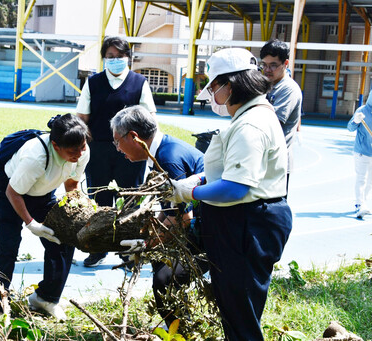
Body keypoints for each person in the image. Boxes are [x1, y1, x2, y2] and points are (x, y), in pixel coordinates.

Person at [169, 48, 292, 340]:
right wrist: (200, 178)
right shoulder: (250, 116)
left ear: (231, 85)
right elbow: (229, 171)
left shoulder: (250, 125)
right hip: (244, 222)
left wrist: (192, 192)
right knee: (236, 309)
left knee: (240, 314)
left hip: (247, 224)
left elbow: (236, 187)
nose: (210, 93)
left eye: (212, 86)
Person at [110, 105, 205, 327]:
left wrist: (147, 245)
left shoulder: (167, 159)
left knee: (165, 279)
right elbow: (170, 209)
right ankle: (179, 323)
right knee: (162, 267)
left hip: (213, 228)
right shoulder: (160, 151)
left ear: (133, 136)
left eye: (117, 141)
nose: (116, 148)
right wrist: (149, 236)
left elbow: (184, 218)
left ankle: (181, 330)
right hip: (200, 222)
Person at [0, 114, 90, 319]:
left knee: (63, 240)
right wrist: (31, 223)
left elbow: (71, 184)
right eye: (72, 151)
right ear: (55, 145)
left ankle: (46, 297)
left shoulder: (82, 151)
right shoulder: (36, 156)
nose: (79, 154)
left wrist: (79, 208)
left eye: (83, 147)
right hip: (10, 192)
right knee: (8, 245)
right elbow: (12, 192)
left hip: (42, 194)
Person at [76, 36, 156, 267]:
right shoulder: (93, 82)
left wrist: (147, 150)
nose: (115, 60)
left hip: (131, 151)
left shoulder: (139, 82)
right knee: (100, 200)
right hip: (98, 149)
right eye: (110, 57)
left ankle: (129, 250)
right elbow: (82, 118)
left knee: (131, 199)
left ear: (127, 57)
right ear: (104, 59)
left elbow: (150, 118)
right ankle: (99, 248)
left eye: (119, 56)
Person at [260, 39, 303, 194]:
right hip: (262, 161)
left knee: (272, 214)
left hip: (276, 165)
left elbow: (272, 123)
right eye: (264, 64)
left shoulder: (288, 89)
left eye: (273, 65)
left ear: (285, 63)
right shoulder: (267, 85)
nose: (267, 69)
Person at [347, 89, 372, 219]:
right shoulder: (362, 110)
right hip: (362, 151)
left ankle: (364, 202)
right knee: (362, 178)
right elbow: (350, 127)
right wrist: (356, 120)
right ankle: (359, 204)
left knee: (370, 182)